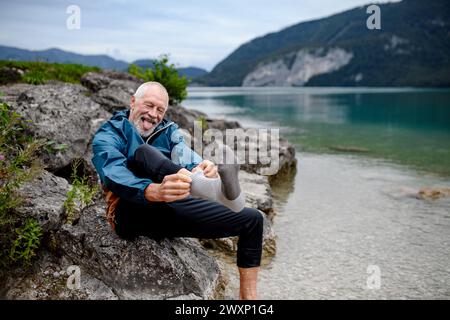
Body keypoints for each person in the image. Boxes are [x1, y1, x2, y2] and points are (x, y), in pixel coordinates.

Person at [91, 81, 264, 300]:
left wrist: (203, 167)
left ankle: (249, 300)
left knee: (253, 220)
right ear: (133, 102)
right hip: (129, 212)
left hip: (168, 208)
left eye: (160, 110)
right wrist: (152, 190)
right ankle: (206, 188)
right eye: (149, 105)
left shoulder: (168, 131)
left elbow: (183, 154)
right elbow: (112, 172)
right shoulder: (110, 133)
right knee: (144, 153)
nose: (154, 114)